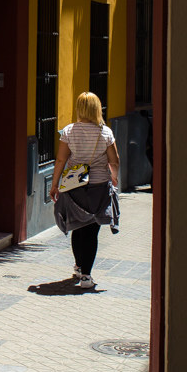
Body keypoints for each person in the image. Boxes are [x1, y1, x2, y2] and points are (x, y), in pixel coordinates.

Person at [49, 91, 120, 289]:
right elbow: (114, 160)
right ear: (97, 108)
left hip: (74, 186)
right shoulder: (105, 132)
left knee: (77, 226)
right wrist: (114, 178)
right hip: (98, 186)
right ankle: (86, 276)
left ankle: (79, 267)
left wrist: (54, 185)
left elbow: (61, 159)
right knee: (91, 230)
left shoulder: (69, 131)